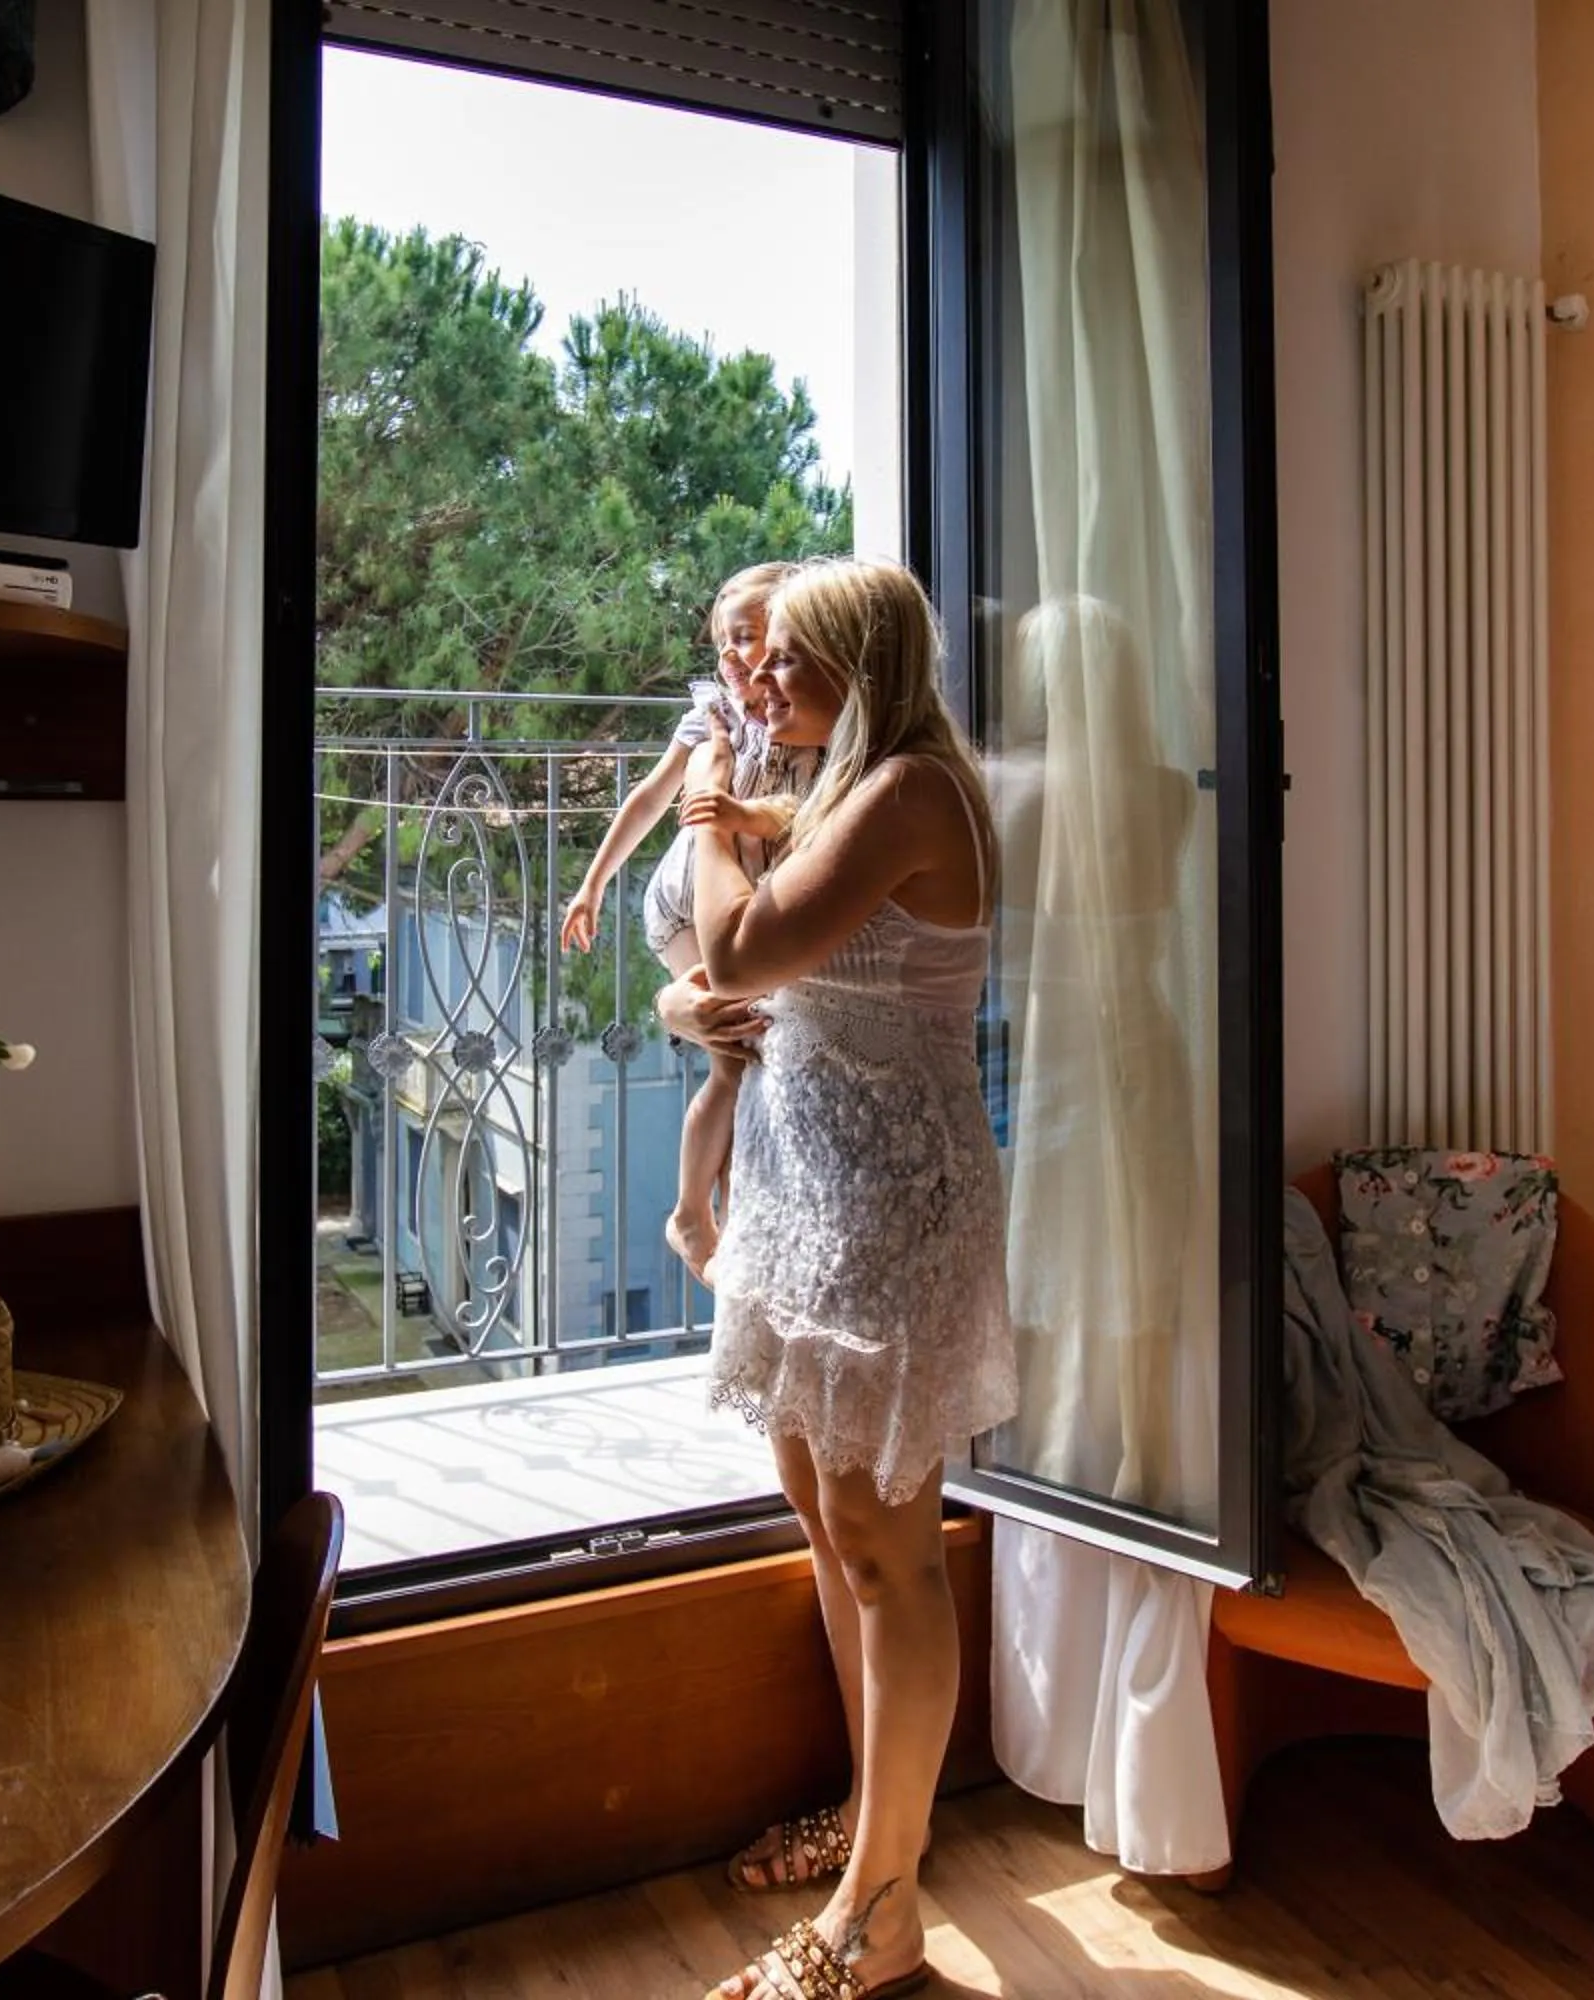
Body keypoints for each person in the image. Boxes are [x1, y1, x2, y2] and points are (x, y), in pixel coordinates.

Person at [663, 556, 1014, 2000]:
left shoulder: (912, 793)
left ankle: (884, 1910)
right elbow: (715, 971)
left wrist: (696, 803)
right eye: (754, 666)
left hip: (888, 1209)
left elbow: (743, 935)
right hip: (810, 1196)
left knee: (888, 1552)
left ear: (861, 665)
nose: (758, 686)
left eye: (786, 663)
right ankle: (877, 1823)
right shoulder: (840, 794)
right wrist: (694, 996)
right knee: (832, 1528)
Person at [561, 562, 801, 1284]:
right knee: (740, 1060)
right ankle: (695, 1213)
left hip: (732, 901)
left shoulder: (796, 716)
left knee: (740, 1061)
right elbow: (648, 796)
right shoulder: (717, 719)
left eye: (751, 639)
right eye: (726, 644)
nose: (734, 659)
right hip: (689, 899)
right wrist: (592, 882)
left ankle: (715, 1215)